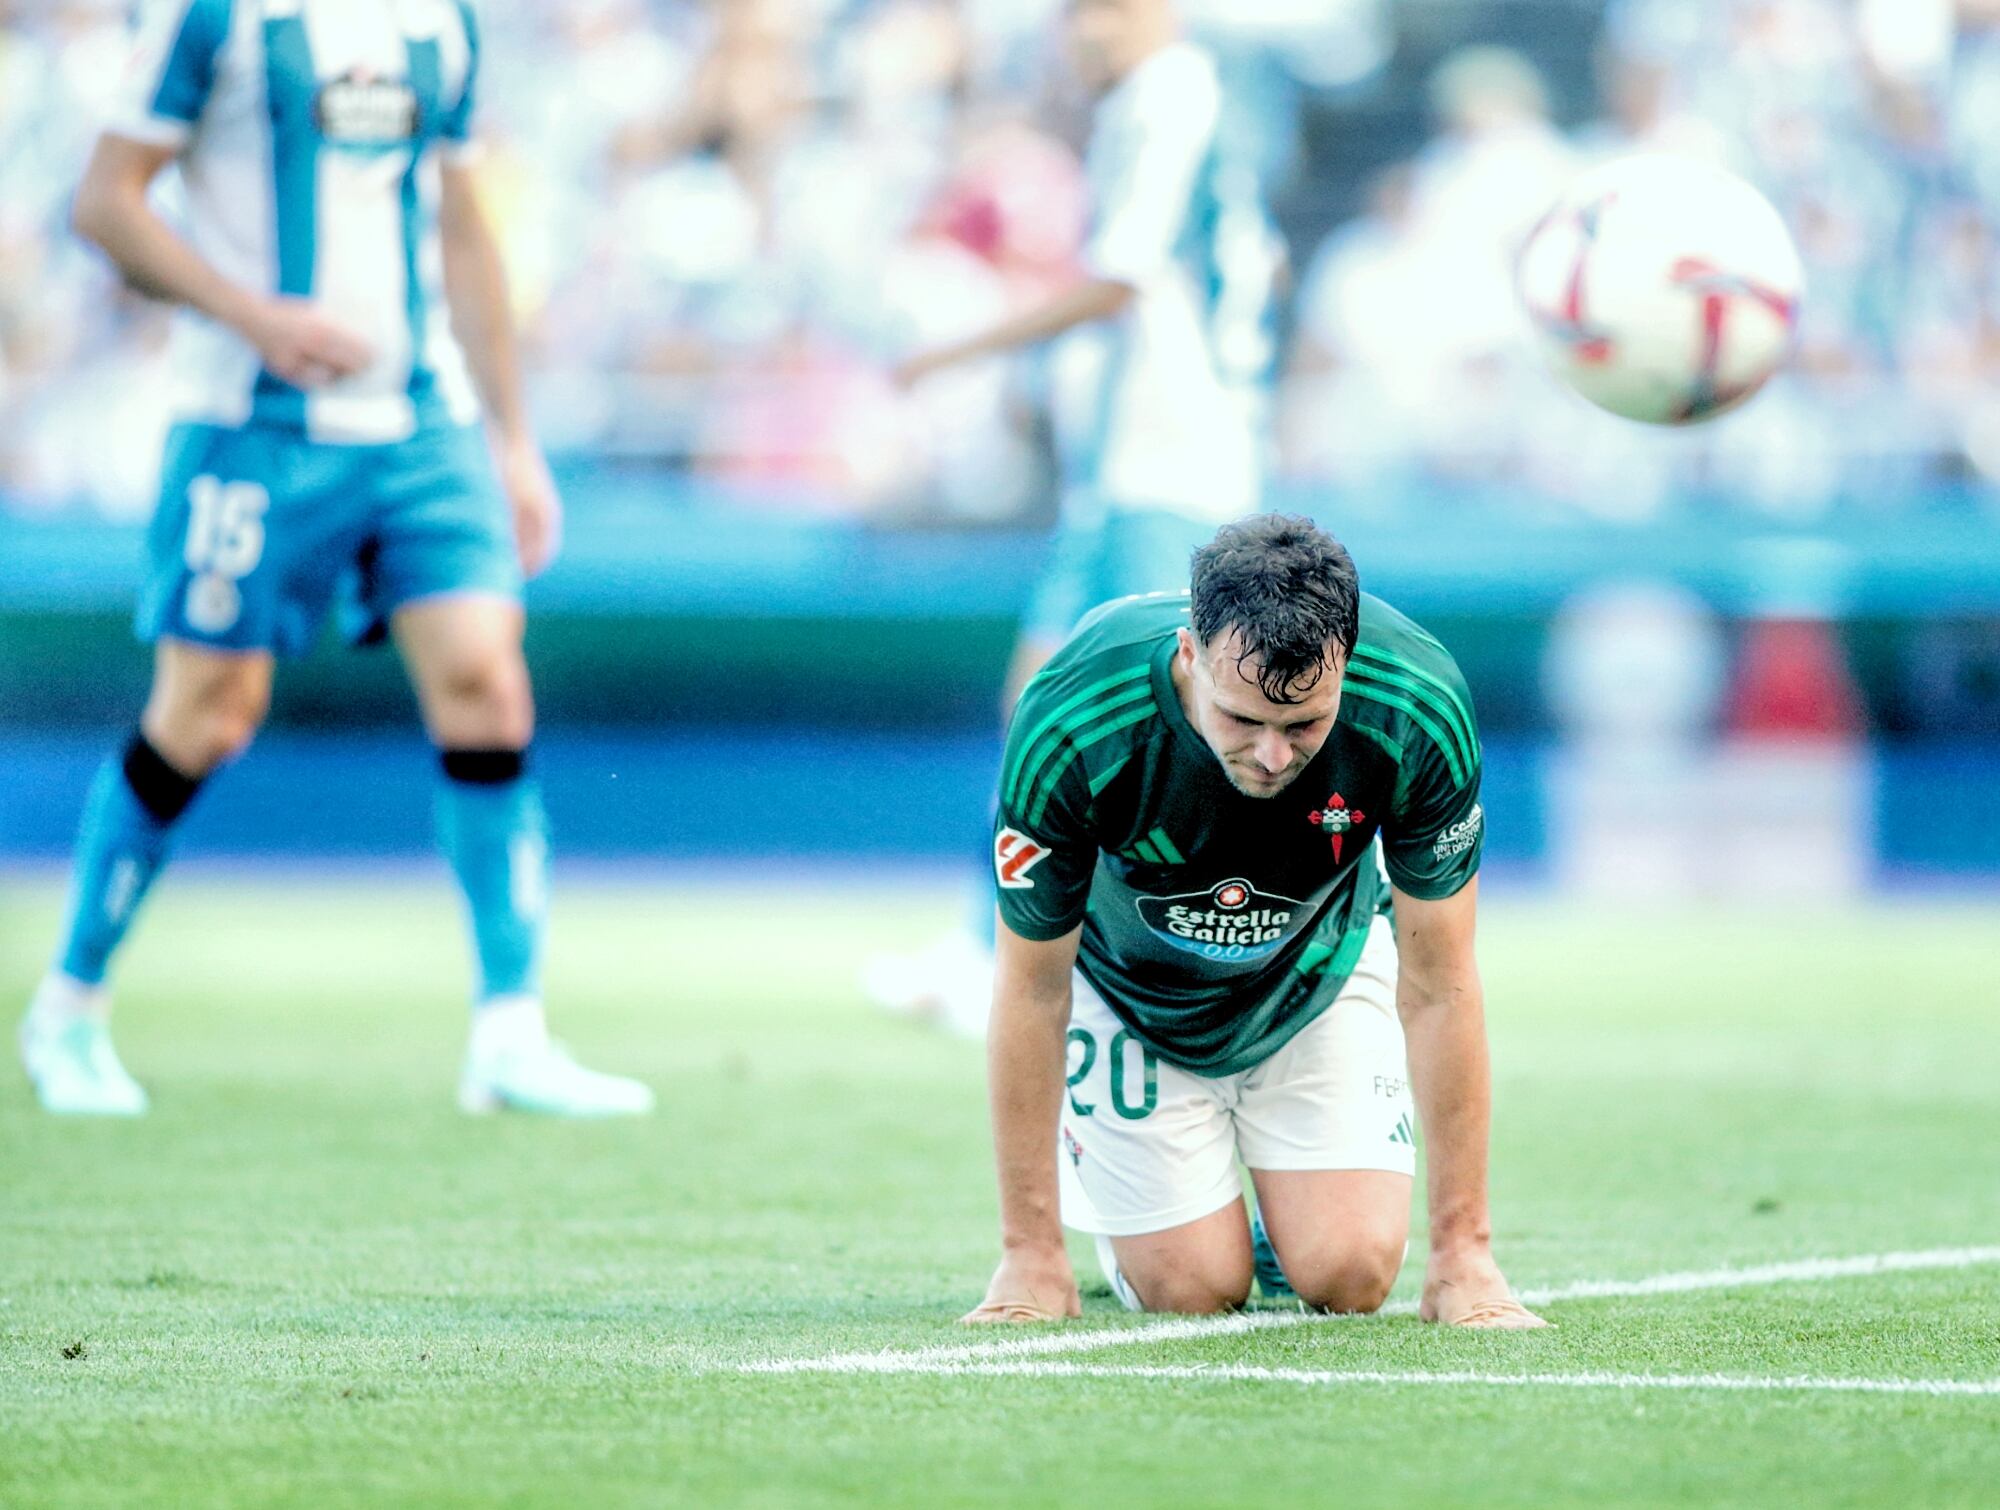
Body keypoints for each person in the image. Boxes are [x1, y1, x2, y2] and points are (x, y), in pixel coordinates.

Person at [17, 0, 651, 1118]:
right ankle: (68, 1008)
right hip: (249, 422)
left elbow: (460, 222)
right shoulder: (214, 16)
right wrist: (253, 317)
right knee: (208, 712)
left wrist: (510, 434)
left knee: (487, 682)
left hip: (420, 422)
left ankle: (510, 1031)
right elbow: (106, 204)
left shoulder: (443, 20)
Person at [963, 515, 1545, 1326]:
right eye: (1243, 720)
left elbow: (1441, 981)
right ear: (1190, 653)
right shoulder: (1073, 711)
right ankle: (1152, 1229)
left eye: (1303, 723)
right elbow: (1030, 987)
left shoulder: (1416, 701)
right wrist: (1030, 1255)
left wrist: (1463, 1255)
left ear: (1345, 660)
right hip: (1133, 997)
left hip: (1316, 976)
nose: (1273, 756)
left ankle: (1283, 1214)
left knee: (1349, 1275)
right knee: (1192, 1289)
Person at [895, 0, 1269, 705]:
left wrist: (950, 354)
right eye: (1078, 12)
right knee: (1042, 710)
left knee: (1160, 713)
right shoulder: (1142, 107)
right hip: (1121, 463)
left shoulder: (1172, 98)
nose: (1091, 30)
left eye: (1113, 9)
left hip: (1176, 462)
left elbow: (1117, 283)